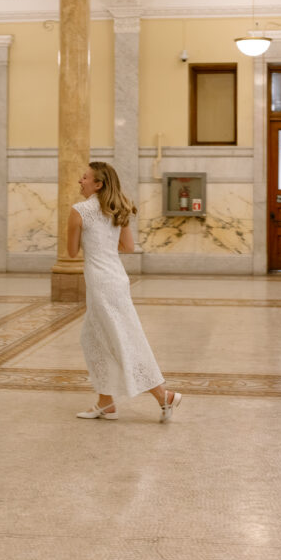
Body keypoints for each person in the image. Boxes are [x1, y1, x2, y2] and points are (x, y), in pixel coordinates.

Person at [67, 161, 182, 422]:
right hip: (117, 279)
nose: (80, 181)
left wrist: (89, 241)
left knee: (123, 341)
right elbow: (128, 247)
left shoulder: (79, 211)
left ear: (98, 184)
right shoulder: (117, 208)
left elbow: (72, 252)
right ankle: (106, 403)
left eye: (84, 178)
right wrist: (105, 245)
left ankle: (164, 395)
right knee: (95, 339)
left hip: (100, 283)